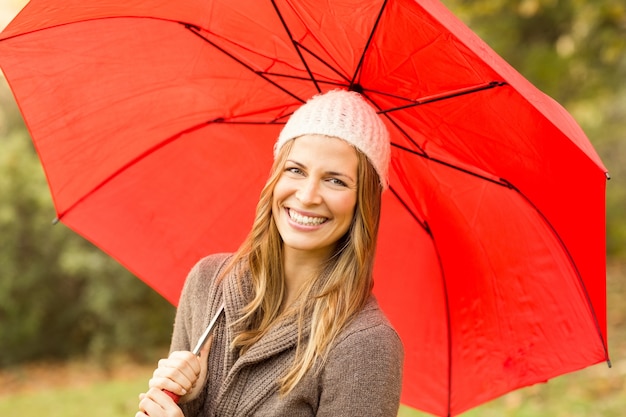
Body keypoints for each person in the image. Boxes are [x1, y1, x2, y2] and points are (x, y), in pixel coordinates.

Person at [136, 89, 404, 417]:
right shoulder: (208, 283)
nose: (307, 196)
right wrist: (185, 399)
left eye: (335, 180)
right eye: (295, 170)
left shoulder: (365, 346)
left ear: (362, 204)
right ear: (275, 178)